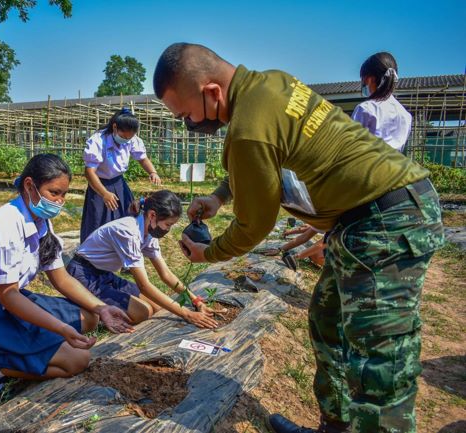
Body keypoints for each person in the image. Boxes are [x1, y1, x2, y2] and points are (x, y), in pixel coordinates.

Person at [153, 43, 444, 433]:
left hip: (386, 220)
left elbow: (253, 226)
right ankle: (335, 426)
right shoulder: (271, 84)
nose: (189, 123)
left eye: (187, 114)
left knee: (379, 361)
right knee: (329, 321)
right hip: (363, 219)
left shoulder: (246, 130)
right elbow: (267, 158)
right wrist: (220, 196)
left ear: (212, 92)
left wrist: (208, 254)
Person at [0, 154, 133, 399]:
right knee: (77, 361)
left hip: (14, 299)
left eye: (64, 194)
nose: (59, 202)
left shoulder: (41, 221)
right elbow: (7, 295)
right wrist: (60, 329)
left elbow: (61, 279)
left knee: (89, 317)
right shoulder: (2, 226)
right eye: (54, 193)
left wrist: (101, 307)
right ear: (30, 185)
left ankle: (28, 349)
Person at [68, 190, 219, 329]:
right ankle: (89, 310)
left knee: (158, 309)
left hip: (105, 275)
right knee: (143, 312)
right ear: (152, 215)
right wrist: (188, 314)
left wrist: (196, 301)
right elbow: (144, 286)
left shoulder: (150, 232)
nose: (168, 230)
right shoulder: (128, 232)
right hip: (83, 275)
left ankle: (105, 304)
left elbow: (166, 274)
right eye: (168, 224)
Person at [80, 108, 162, 243]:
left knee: (127, 217)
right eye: (123, 137)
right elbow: (89, 172)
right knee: (98, 221)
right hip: (99, 185)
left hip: (119, 183)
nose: (126, 140)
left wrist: (153, 172)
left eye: (129, 138)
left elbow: (142, 158)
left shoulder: (132, 139)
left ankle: (124, 249)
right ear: (114, 127)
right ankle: (95, 256)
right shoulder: (98, 140)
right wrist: (104, 193)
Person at [351, 52, 412, 152]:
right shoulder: (405, 115)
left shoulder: (366, 109)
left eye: (363, 79)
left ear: (371, 79)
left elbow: (351, 147)